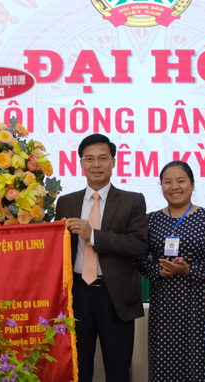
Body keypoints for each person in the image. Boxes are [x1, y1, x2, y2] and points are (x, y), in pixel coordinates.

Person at [55, 133, 148, 382]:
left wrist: (93, 235)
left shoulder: (132, 201)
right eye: (90, 159)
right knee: (77, 369)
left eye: (103, 158)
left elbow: (138, 244)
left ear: (113, 162)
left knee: (118, 371)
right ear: (81, 164)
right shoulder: (65, 202)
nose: (96, 165)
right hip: (77, 295)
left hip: (115, 296)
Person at [136, 161, 205, 382]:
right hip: (164, 303)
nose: (174, 186)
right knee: (165, 361)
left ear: (192, 184)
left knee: (201, 360)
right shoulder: (151, 220)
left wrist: (190, 269)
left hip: (200, 302)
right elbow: (137, 257)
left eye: (181, 180)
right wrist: (158, 270)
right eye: (167, 182)